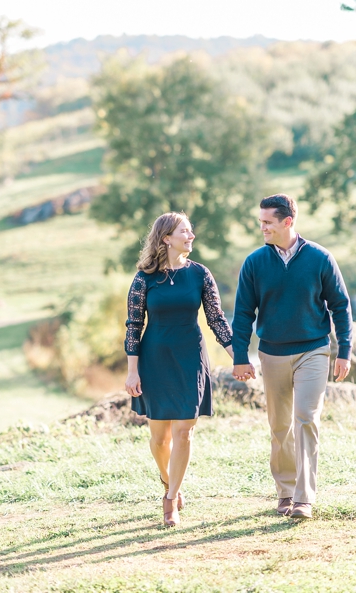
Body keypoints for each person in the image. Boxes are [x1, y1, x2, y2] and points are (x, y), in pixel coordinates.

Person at [231, 193, 352, 520]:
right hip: (272, 354)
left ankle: (303, 498)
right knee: (279, 425)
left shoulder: (319, 258)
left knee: (305, 418)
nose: (262, 228)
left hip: (313, 349)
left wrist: (344, 351)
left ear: (287, 221)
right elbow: (243, 313)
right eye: (260, 222)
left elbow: (340, 305)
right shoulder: (255, 262)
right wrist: (240, 356)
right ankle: (285, 492)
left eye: (267, 222)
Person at [124, 212, 234, 528]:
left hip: (191, 358)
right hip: (155, 358)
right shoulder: (144, 279)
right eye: (184, 231)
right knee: (159, 439)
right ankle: (169, 479)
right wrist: (133, 371)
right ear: (166, 238)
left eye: (190, 231)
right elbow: (133, 326)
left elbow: (216, 319)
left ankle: (170, 498)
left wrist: (237, 356)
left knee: (184, 431)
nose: (191, 236)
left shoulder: (200, 274)